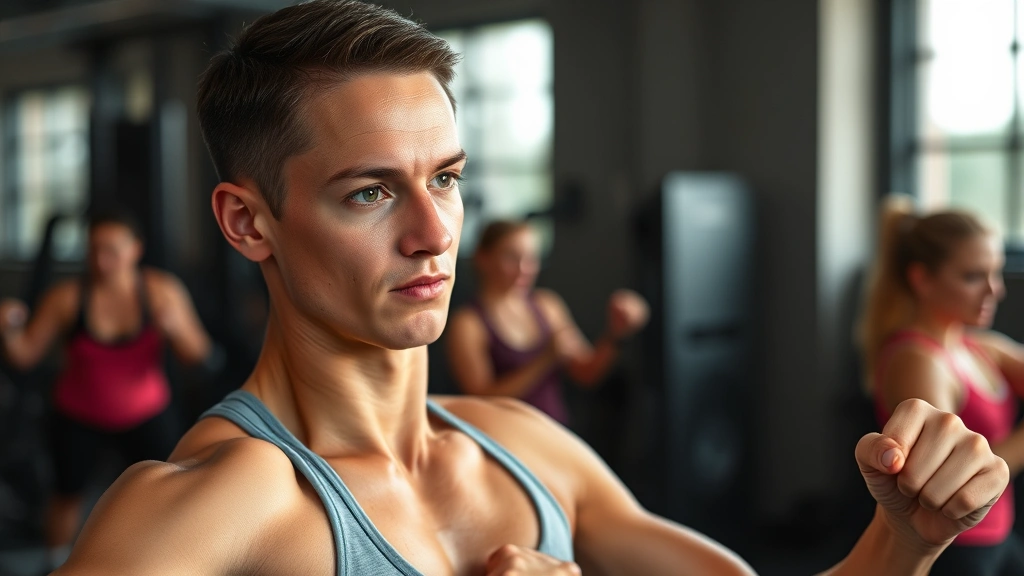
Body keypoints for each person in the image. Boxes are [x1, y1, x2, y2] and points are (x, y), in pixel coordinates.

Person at [52, 2, 1009, 574]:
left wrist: (904, 540)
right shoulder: (205, 512)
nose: (433, 233)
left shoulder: (527, 451)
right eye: (370, 192)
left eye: (448, 179)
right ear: (248, 222)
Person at [0, 208, 214, 569]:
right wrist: (7, 328)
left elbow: (200, 355)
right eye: (94, 250)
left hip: (146, 412)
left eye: (112, 250)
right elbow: (24, 356)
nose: (102, 260)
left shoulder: (161, 291)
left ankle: (159, 564)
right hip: (78, 414)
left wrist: (177, 329)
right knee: (67, 496)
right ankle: (56, 563)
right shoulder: (68, 298)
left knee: (164, 494)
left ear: (135, 249)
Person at [859, 195, 1024, 576]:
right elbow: (946, 479)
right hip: (955, 548)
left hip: (999, 534)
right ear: (922, 279)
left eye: (994, 273)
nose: (994, 290)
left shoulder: (979, 347)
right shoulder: (917, 361)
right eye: (972, 276)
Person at [446, 220, 649, 424]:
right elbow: (481, 399)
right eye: (511, 257)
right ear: (483, 258)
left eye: (531, 258)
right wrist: (544, 360)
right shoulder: (467, 323)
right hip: (503, 444)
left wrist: (616, 333)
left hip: (553, 435)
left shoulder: (547, 306)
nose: (524, 268)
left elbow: (587, 372)